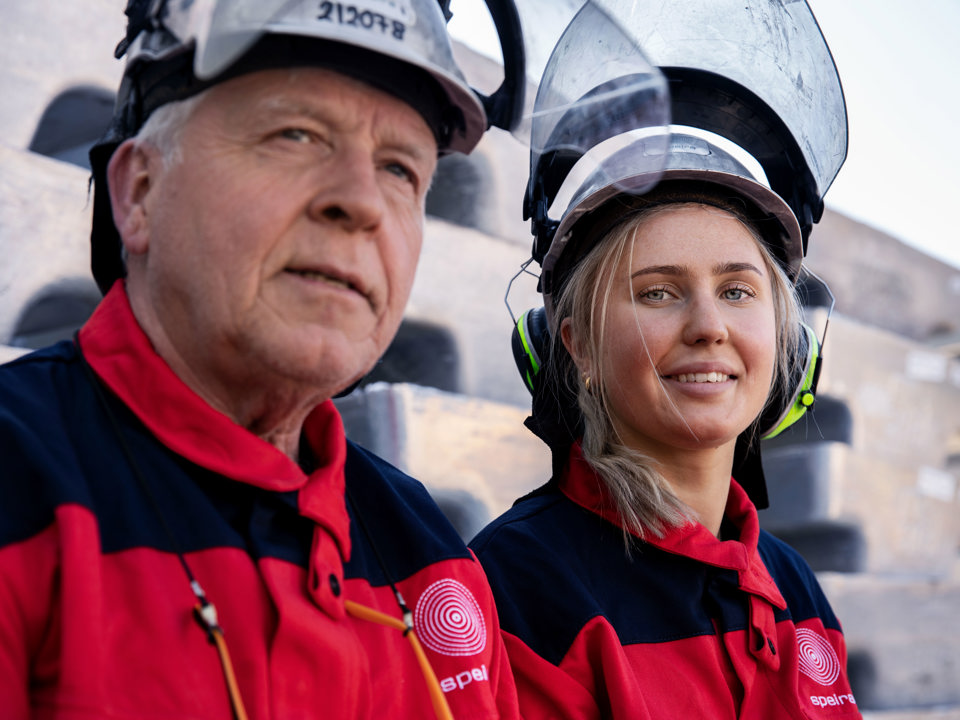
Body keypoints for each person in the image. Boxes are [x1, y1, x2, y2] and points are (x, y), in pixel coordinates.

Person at [0, 1, 525, 718]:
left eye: (401, 169)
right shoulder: (18, 482)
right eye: (297, 134)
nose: (362, 202)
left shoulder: (434, 556)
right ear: (140, 192)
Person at [471, 1, 861, 717]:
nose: (709, 326)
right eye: (657, 292)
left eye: (738, 290)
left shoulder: (794, 588)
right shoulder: (514, 589)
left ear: (785, 346)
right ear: (576, 346)